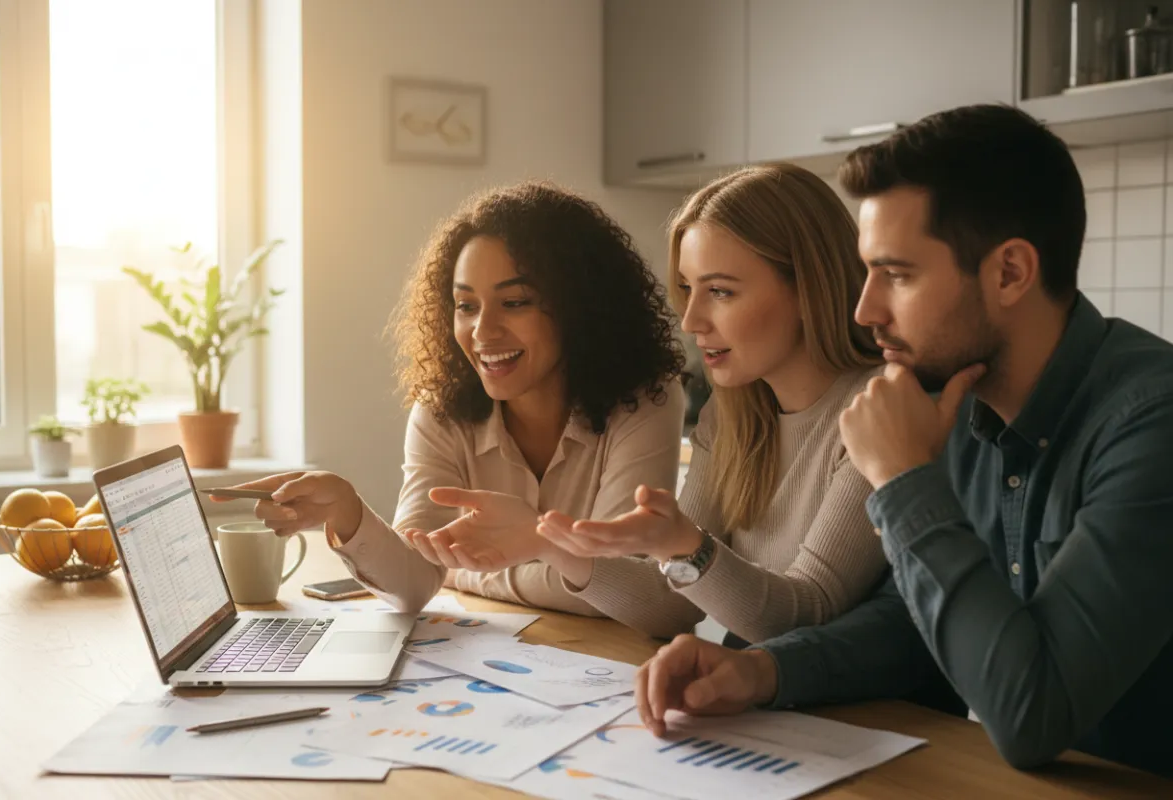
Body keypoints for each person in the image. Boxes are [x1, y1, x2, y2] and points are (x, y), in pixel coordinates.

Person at [630, 105, 1173, 778]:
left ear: (1009, 273)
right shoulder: (962, 401)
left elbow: (1033, 715)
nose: (865, 310)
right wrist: (761, 670)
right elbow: (914, 627)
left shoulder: (1152, 422)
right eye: (867, 273)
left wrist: (903, 480)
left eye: (898, 275)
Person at [430, 164, 888, 643]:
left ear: (808, 287)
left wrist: (685, 547)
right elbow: (673, 608)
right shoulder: (732, 415)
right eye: (688, 290)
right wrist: (550, 543)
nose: (691, 321)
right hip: (762, 700)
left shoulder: (879, 413)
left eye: (721, 292)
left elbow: (802, 618)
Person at [219, 181, 685, 614]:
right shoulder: (441, 410)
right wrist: (349, 513)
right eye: (466, 306)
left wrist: (465, 572)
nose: (482, 330)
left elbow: (634, 597)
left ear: (581, 306)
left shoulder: (645, 402)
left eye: (515, 302)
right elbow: (413, 583)